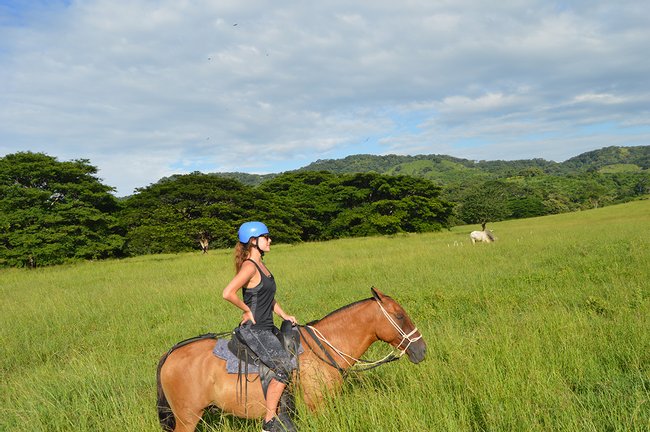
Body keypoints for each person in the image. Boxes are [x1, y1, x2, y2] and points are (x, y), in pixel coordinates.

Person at [222, 221, 298, 432]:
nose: (270, 240)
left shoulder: (262, 265)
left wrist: (283, 314)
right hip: (254, 331)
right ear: (253, 242)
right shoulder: (249, 266)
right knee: (283, 367)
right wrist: (246, 310)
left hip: (267, 327)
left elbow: (268, 297)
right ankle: (269, 422)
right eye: (266, 237)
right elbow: (227, 293)